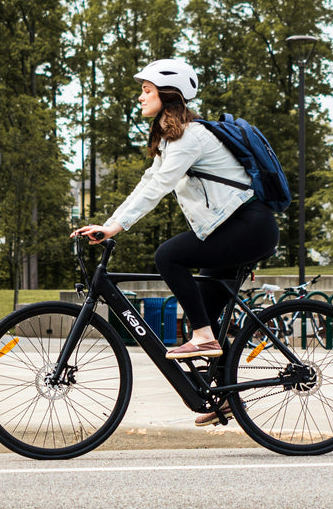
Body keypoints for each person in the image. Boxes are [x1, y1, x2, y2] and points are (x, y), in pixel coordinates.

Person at [72, 58, 279, 425]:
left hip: (249, 226)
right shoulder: (174, 139)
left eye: (146, 90)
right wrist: (109, 223)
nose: (140, 97)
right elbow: (147, 181)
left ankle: (206, 340)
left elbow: (157, 187)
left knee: (168, 256)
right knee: (203, 319)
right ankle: (224, 397)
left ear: (168, 96)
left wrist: (115, 227)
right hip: (231, 229)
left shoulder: (191, 136)